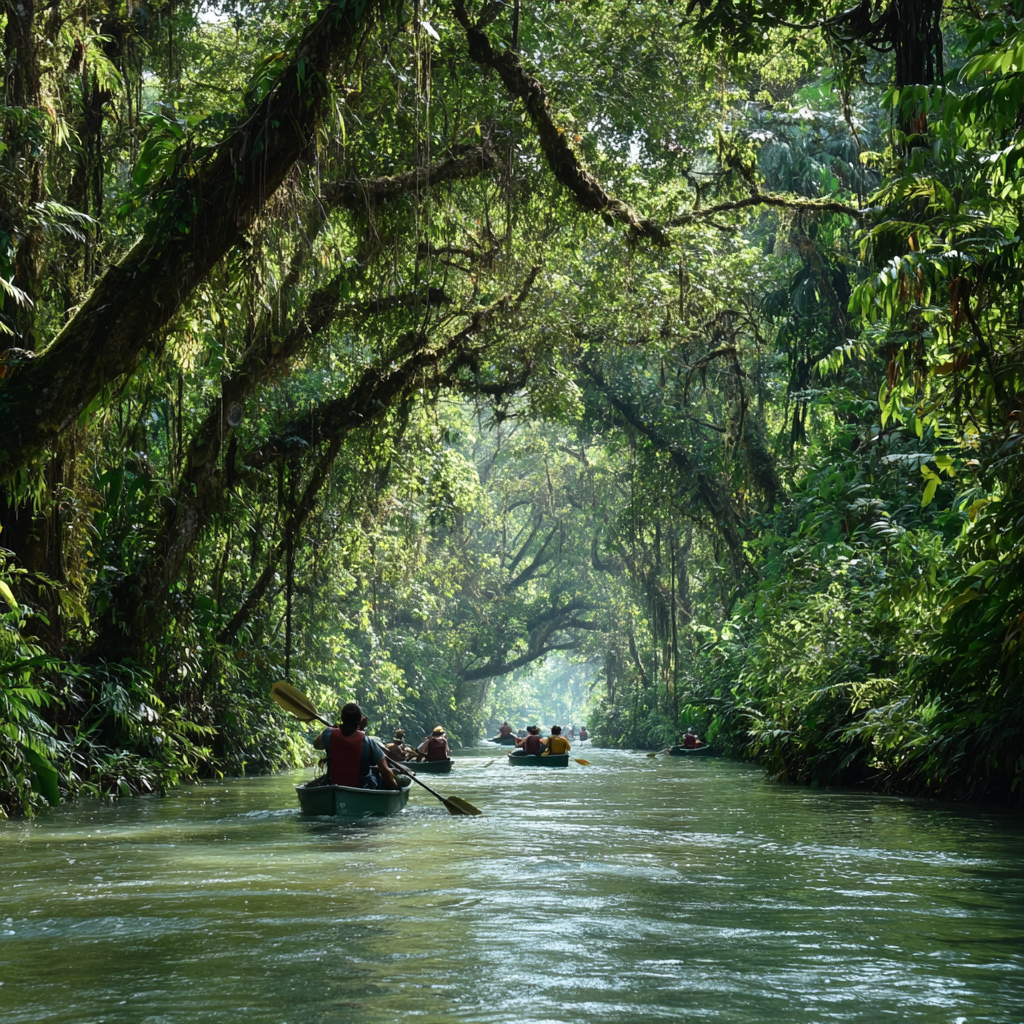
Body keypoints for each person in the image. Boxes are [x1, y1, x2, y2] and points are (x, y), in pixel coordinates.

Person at [314, 702, 398, 790]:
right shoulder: (368, 742)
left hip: (334, 785)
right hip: (362, 788)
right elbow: (385, 771)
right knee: (377, 773)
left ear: (342, 718)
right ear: (360, 720)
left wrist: (332, 729)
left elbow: (316, 745)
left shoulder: (328, 734)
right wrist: (395, 786)